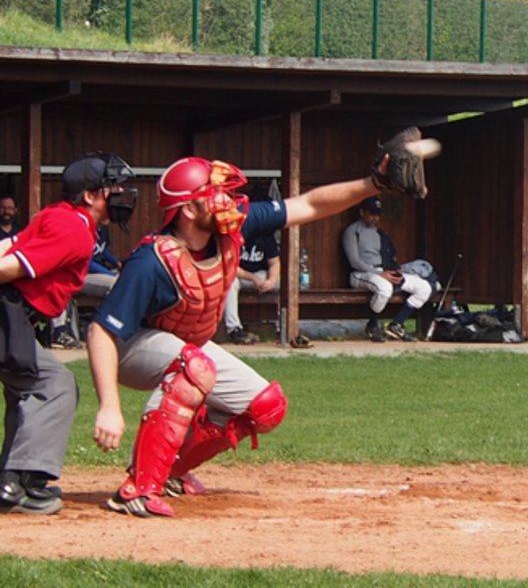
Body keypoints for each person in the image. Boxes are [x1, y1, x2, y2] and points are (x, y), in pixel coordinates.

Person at [87, 154, 398, 518]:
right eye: (213, 193)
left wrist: (373, 183)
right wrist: (109, 407)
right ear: (187, 209)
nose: (225, 201)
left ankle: (171, 470)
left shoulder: (231, 230)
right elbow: (101, 332)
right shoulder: (151, 261)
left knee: (265, 405)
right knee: (195, 366)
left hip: (186, 348)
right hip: (127, 351)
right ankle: (138, 489)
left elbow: (310, 204)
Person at [0, 153, 136, 515]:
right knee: (51, 384)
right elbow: (10, 266)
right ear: (90, 196)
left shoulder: (61, 217)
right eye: (113, 188)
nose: (121, 194)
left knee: (34, 382)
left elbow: (9, 247)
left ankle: (15, 479)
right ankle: (15, 485)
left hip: (13, 315)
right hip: (7, 311)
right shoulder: (73, 227)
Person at [342, 197, 433, 342]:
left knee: (424, 287)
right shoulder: (352, 231)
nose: (375, 218)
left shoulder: (381, 234)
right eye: (372, 214)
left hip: (384, 272)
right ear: (362, 212)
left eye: (377, 214)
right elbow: (354, 261)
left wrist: (396, 271)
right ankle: (372, 326)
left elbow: (390, 258)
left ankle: (396, 325)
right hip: (361, 274)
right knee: (385, 288)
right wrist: (380, 273)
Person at [48, 224, 122, 349]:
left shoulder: (103, 228)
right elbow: (87, 263)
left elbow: (102, 250)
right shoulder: (82, 228)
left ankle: (111, 330)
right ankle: (104, 330)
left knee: (119, 284)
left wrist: (117, 263)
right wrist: (110, 273)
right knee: (115, 284)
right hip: (80, 274)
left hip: (97, 273)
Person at [221, 229, 281, 345]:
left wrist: (271, 280)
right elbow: (230, 267)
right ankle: (234, 330)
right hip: (240, 275)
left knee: (282, 283)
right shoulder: (234, 236)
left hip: (261, 275)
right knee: (229, 281)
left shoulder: (266, 234)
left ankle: (282, 329)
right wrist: (253, 278)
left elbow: (274, 263)